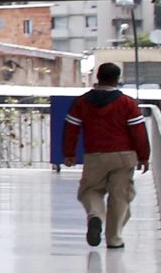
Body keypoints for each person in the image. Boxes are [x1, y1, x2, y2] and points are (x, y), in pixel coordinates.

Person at [60, 63, 152, 248]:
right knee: (120, 196)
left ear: (98, 77)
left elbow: (71, 129)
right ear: (117, 79)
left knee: (90, 190)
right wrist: (144, 156)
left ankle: (95, 216)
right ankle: (114, 239)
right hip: (124, 156)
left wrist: (69, 153)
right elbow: (138, 132)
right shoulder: (127, 103)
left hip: (95, 155)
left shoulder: (82, 102)